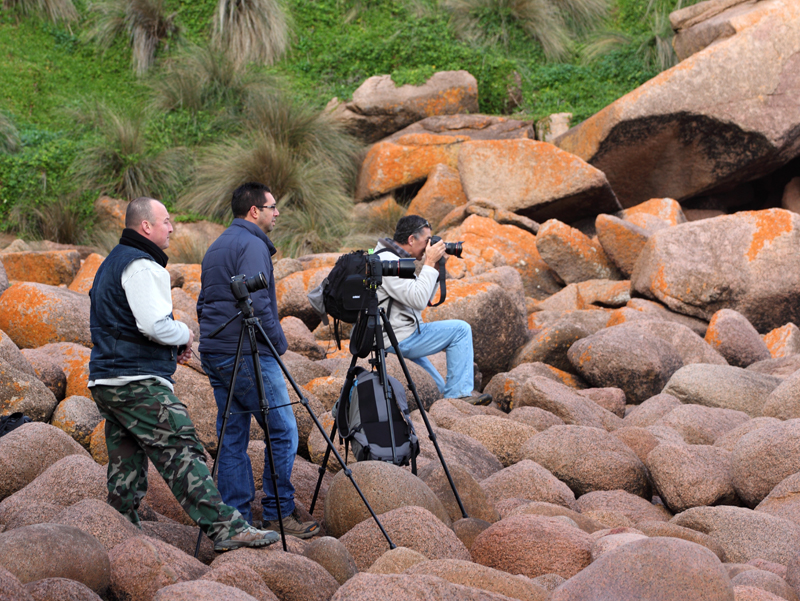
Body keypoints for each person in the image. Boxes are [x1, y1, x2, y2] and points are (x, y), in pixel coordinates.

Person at [88, 197, 278, 552]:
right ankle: (225, 529)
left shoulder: (111, 263)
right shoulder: (143, 265)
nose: (172, 228)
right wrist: (184, 334)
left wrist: (169, 342)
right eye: (166, 221)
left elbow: (120, 322)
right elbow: (152, 324)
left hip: (106, 382)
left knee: (126, 461)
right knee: (182, 449)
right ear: (146, 226)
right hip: (137, 381)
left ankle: (118, 531)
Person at [197, 182, 319, 539]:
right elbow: (259, 303)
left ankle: (235, 517)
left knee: (233, 434)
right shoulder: (252, 244)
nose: (277, 213)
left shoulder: (217, 245)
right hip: (247, 351)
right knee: (282, 430)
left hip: (217, 352)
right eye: (272, 207)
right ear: (254, 211)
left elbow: (204, 303)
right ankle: (279, 513)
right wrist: (278, 344)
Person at [374, 215, 492, 405]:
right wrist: (429, 262)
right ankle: (459, 395)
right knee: (460, 330)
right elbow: (419, 300)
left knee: (436, 388)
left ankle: (446, 410)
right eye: (427, 240)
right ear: (411, 239)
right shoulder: (388, 262)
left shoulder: (396, 258)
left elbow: (423, 296)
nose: (430, 245)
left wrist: (436, 266)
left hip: (397, 334)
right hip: (397, 338)